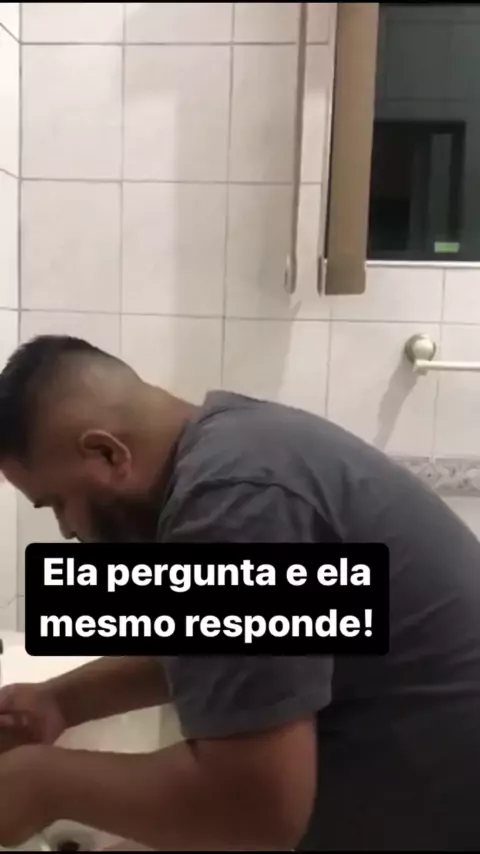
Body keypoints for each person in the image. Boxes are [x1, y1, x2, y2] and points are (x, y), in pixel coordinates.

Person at [0, 334, 479, 851]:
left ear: (106, 453)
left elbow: (252, 816)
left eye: (56, 502)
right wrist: (59, 701)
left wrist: (43, 784)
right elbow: (230, 656)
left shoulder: (231, 504)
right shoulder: (239, 449)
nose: (67, 530)